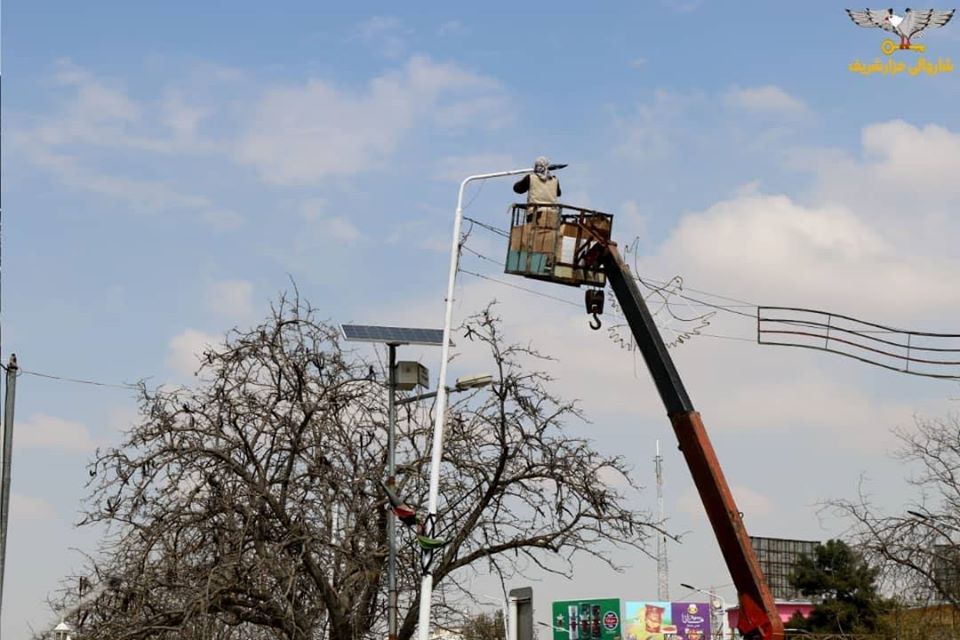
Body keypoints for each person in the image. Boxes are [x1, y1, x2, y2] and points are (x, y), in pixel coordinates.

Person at [512, 157, 562, 266]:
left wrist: (528, 177)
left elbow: (517, 189)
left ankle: (532, 262)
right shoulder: (554, 179)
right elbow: (558, 193)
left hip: (536, 214)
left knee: (533, 239)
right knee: (548, 239)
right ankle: (548, 261)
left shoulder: (531, 178)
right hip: (551, 215)